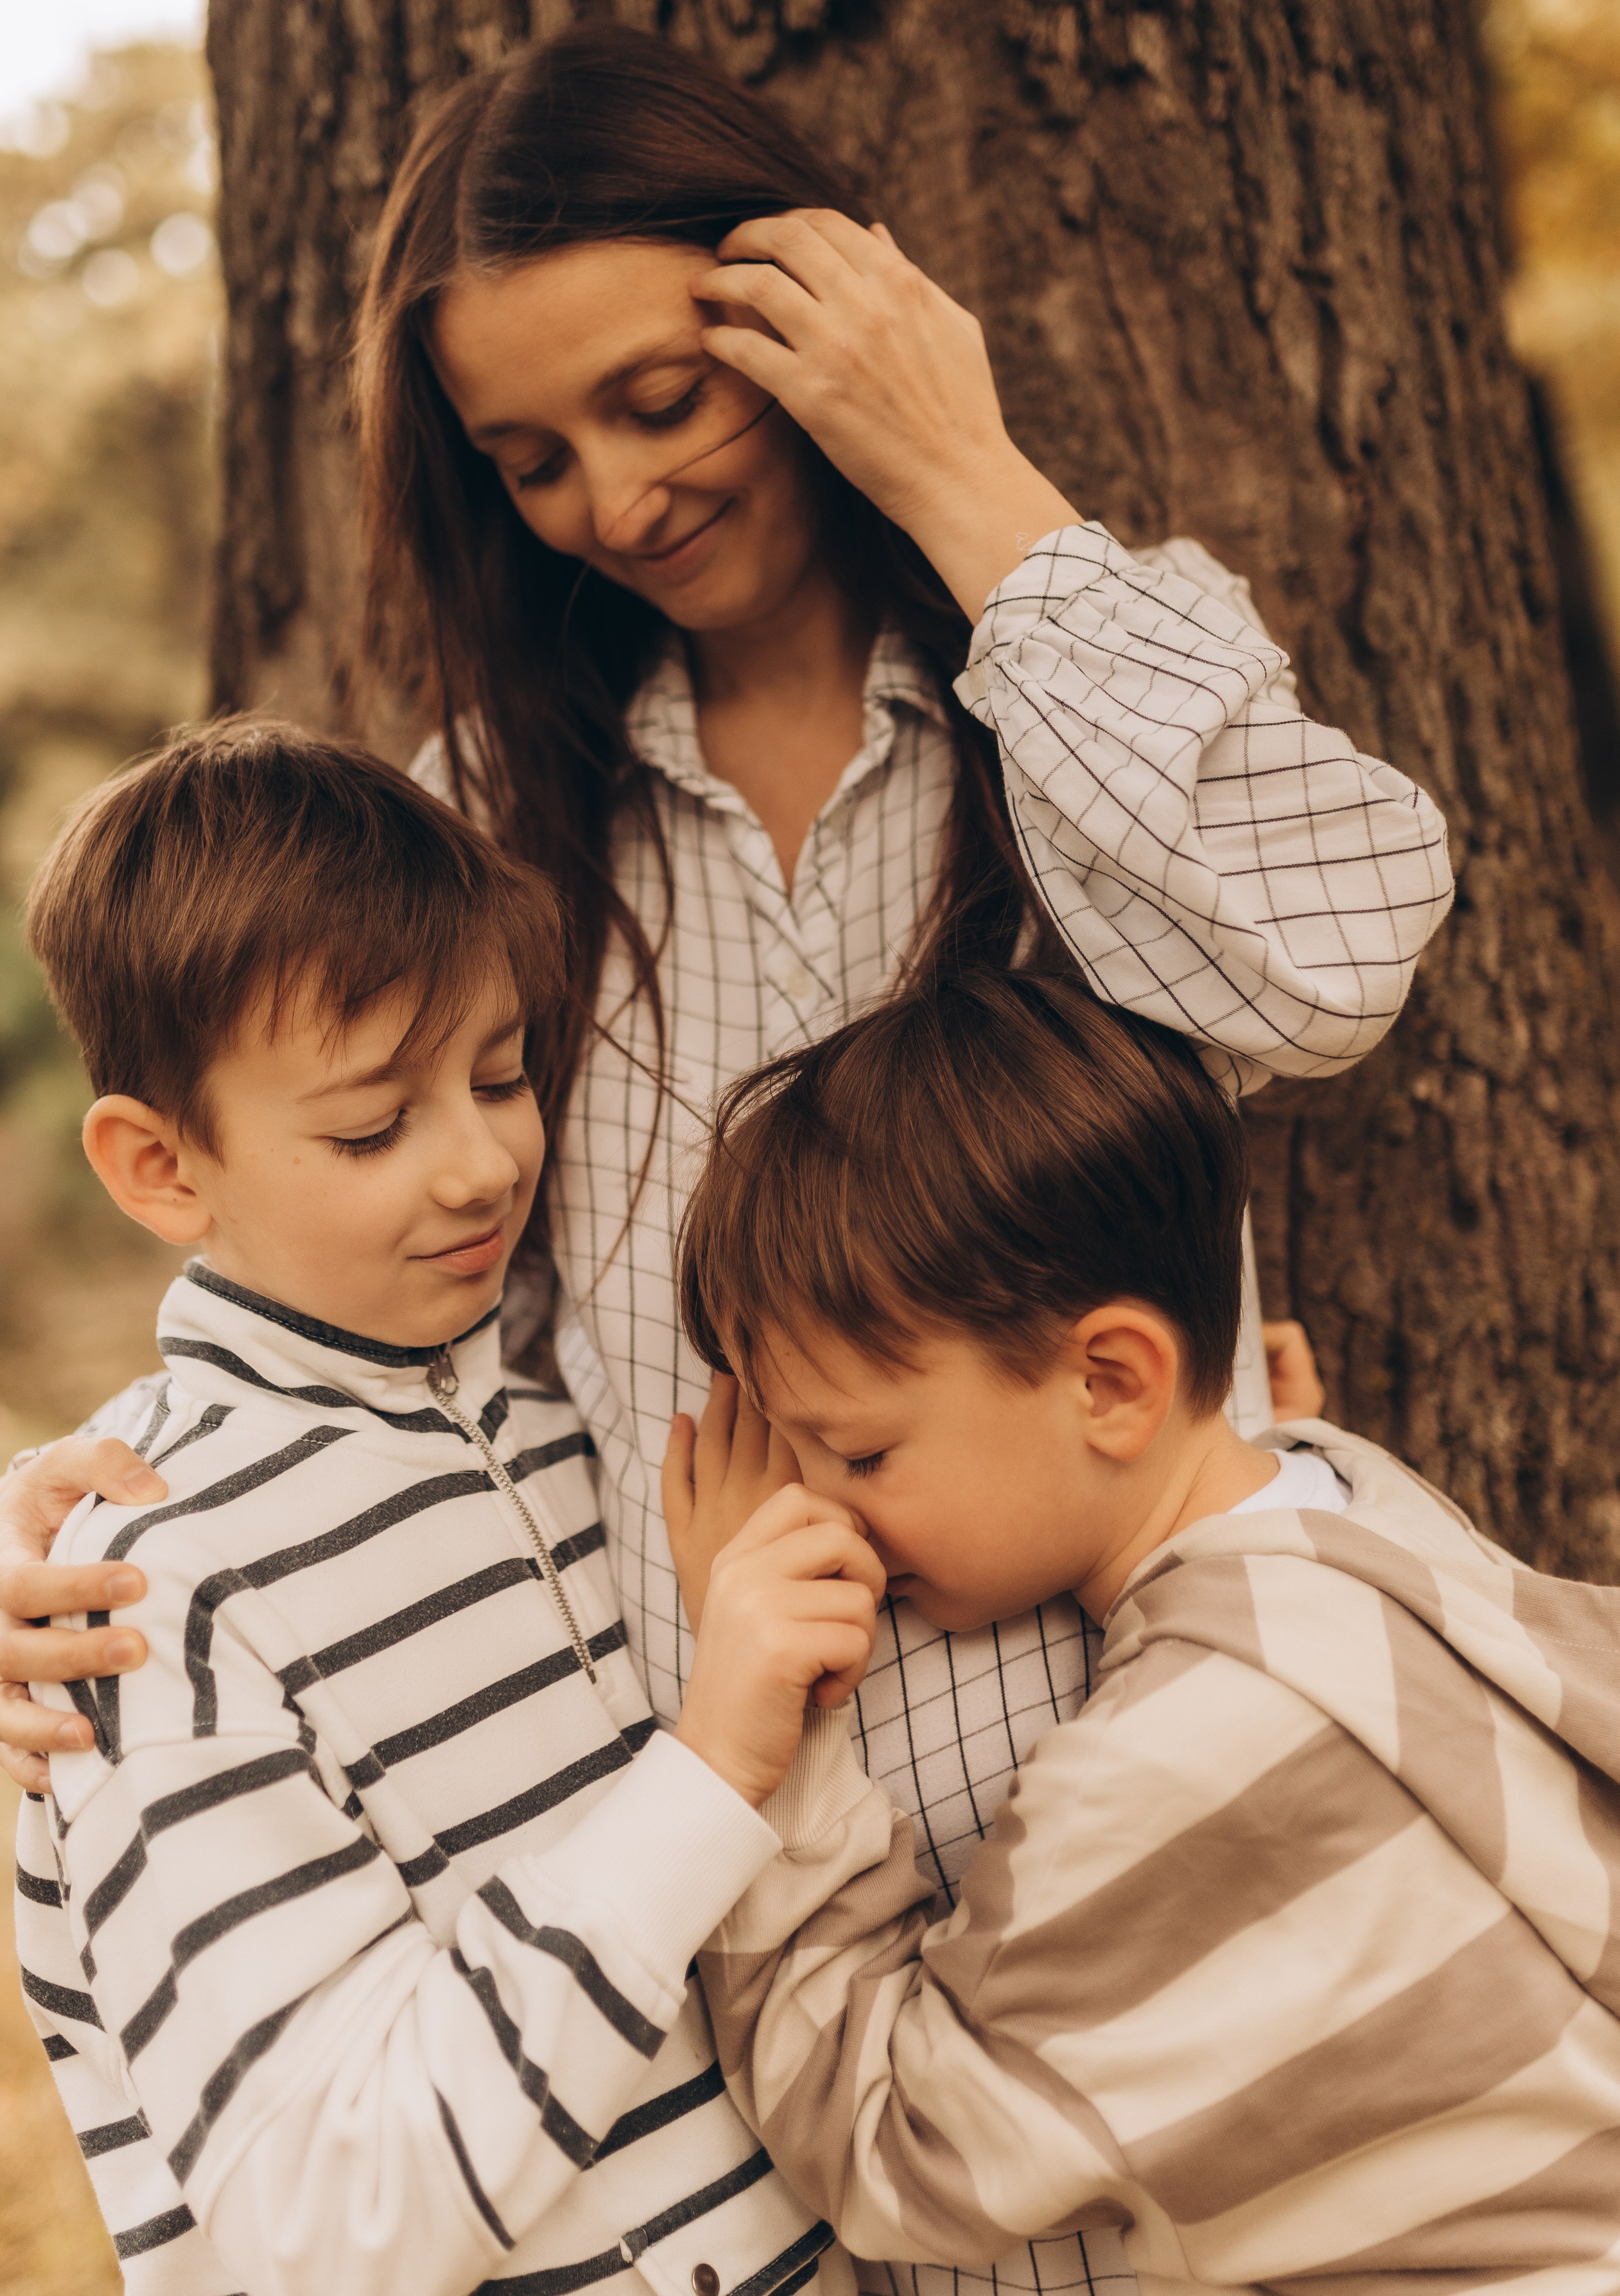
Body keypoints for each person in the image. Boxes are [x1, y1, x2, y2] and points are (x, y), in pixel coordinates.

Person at [0, 24, 1452, 2296]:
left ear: (815, 315)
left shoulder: (1083, 686)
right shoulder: (496, 822)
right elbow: (393, 1272)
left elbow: (1342, 960)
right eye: (532, 459)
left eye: (663, 400)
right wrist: (107, 1494)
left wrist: (963, 472)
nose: (616, 500)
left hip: (1179, 1879)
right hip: (792, 2015)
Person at [10, 717, 883, 2296]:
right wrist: (709, 1770)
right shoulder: (152, 1594)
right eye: (371, 1126)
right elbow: (331, 2224)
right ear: (160, 1169)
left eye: (501, 1075)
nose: (483, 1165)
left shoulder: (566, 1420)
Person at [663, 969, 1620, 2291]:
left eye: (861, 1454)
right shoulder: (1365, 1513)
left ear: (1112, 1384)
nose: (816, 1507)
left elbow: (901, 2148)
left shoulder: (1178, 1760)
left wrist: (780, 1764)